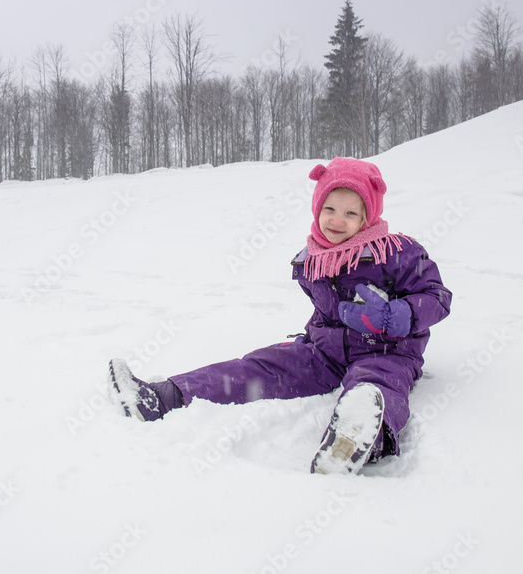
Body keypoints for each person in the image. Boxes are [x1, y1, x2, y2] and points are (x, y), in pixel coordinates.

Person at [108, 157, 452, 474]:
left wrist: (396, 316)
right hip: (326, 353)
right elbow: (325, 312)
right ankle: (163, 397)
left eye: (350, 213)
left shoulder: (396, 252)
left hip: (387, 352)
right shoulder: (313, 259)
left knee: (375, 384)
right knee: (259, 366)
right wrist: (310, 337)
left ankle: (355, 441)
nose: (336, 220)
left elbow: (438, 296)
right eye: (329, 209)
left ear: (367, 217)